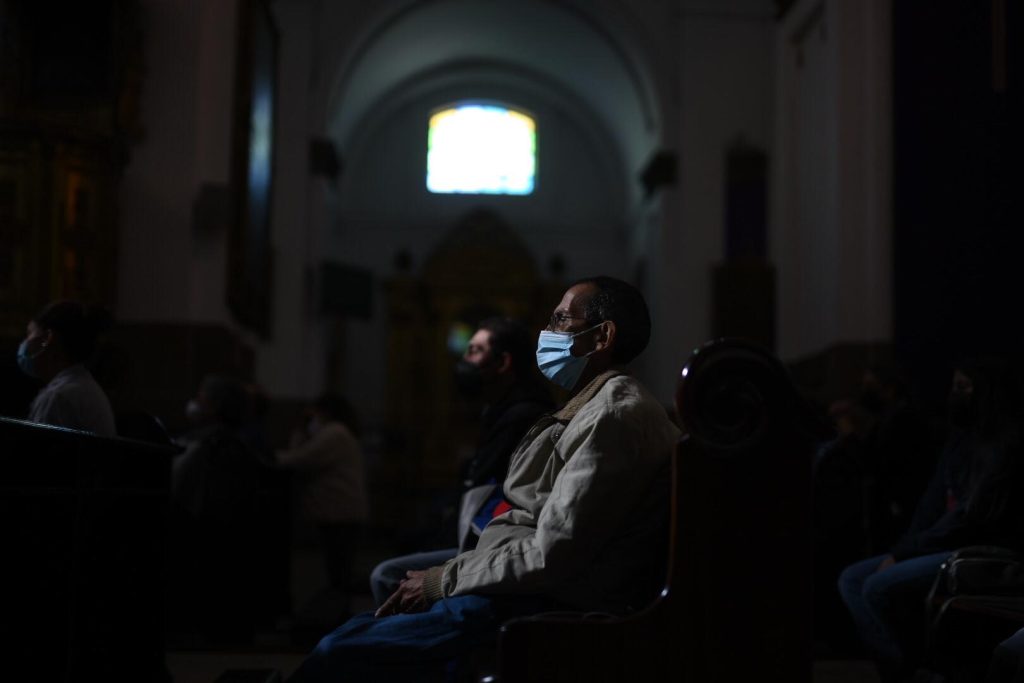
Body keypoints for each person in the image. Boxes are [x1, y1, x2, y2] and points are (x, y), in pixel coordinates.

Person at [289, 276, 680, 683]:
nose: (546, 332)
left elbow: (554, 553)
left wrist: (444, 579)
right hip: (511, 584)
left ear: (602, 337)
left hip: (533, 601)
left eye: (561, 319)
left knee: (340, 650)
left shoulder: (614, 416)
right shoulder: (595, 405)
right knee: (356, 630)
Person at [837, 357, 1024, 683]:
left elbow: (967, 519)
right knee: (851, 579)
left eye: (964, 387)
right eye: (954, 387)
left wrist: (905, 553)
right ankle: (903, 668)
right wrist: (902, 550)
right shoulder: (959, 440)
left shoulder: (1002, 445)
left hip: (974, 550)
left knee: (875, 587)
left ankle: (911, 674)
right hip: (939, 545)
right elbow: (930, 507)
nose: (955, 394)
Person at [369, 317, 554, 605]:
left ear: (503, 362)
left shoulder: (523, 416)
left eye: (475, 350)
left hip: (491, 545)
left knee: (386, 575)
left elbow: (494, 492)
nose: (465, 359)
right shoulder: (500, 410)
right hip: (476, 538)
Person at [276, 394, 370, 619]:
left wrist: (296, 435)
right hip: (340, 511)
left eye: (312, 414)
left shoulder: (334, 433)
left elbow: (300, 458)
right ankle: (341, 612)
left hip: (339, 512)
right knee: (340, 570)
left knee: (340, 572)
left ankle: (342, 612)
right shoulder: (336, 432)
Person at [15, 300, 116, 437]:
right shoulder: (81, 385)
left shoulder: (58, 397)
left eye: (29, 333)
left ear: (48, 338)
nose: (25, 342)